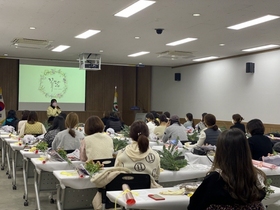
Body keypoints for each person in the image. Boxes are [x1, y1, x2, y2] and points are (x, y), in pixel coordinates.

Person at [188, 128, 267, 209]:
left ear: (220, 151)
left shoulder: (215, 179)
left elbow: (195, 205)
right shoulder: (257, 176)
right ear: (246, 150)